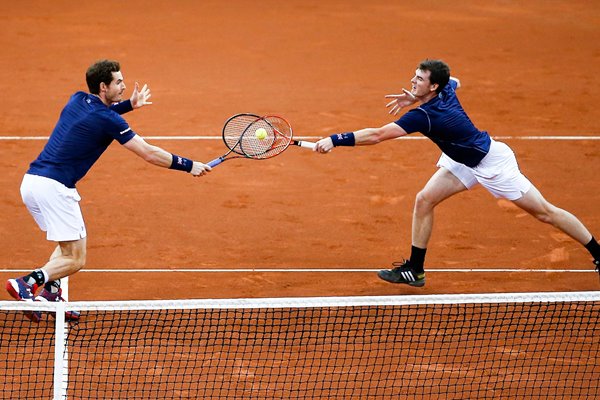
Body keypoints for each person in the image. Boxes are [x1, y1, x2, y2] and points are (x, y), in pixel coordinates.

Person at [314, 59, 600, 287]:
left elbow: (377, 135)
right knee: (424, 200)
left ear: (433, 86)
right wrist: (415, 97)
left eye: (420, 80)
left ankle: (599, 253)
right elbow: (454, 81)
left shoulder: (424, 117)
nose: (413, 81)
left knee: (544, 212)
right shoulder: (446, 88)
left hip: (493, 164)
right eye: (414, 76)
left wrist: (335, 140)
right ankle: (415, 270)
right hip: (461, 159)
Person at [6, 59, 212, 321]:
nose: (124, 86)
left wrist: (129, 106)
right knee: (76, 259)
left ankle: (51, 294)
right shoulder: (108, 119)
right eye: (119, 82)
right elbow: (148, 153)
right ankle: (27, 283)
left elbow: (101, 117)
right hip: (55, 189)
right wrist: (189, 165)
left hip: (32, 183)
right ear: (103, 86)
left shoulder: (77, 99)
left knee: (67, 242)